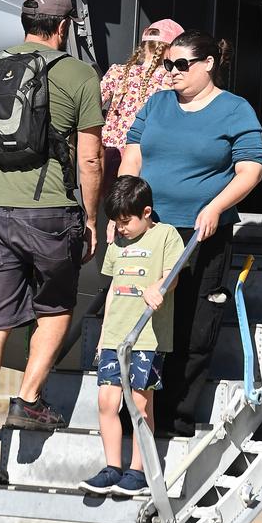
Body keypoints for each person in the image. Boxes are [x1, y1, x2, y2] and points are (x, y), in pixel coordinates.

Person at [0, 0, 104, 484]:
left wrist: (1, 169)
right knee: (56, 309)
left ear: (24, 23)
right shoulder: (79, 75)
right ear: (62, 28)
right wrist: (90, 217)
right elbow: (90, 158)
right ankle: (29, 399)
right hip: (50, 213)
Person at [118, 30, 262, 437]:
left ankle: (173, 417)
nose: (172, 73)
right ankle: (132, 413)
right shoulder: (158, 103)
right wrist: (124, 208)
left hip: (201, 232)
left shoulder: (234, 110)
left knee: (193, 324)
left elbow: (250, 168)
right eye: (168, 64)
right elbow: (134, 153)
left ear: (208, 65)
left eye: (181, 65)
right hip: (151, 229)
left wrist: (216, 206)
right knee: (143, 318)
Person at [79, 176, 183, 497]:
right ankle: (113, 467)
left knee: (139, 403)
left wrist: (160, 286)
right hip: (115, 336)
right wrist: (102, 334)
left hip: (146, 339)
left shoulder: (166, 235)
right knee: (106, 401)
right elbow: (112, 290)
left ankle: (138, 471)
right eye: (116, 222)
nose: (120, 228)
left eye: (126, 222)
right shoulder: (118, 244)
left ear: (147, 212)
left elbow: (173, 275)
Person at [99, 19, 184, 191]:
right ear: (170, 50)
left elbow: (91, 105)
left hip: (111, 155)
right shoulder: (171, 79)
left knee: (115, 210)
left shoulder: (118, 71)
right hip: (149, 158)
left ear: (144, 45)